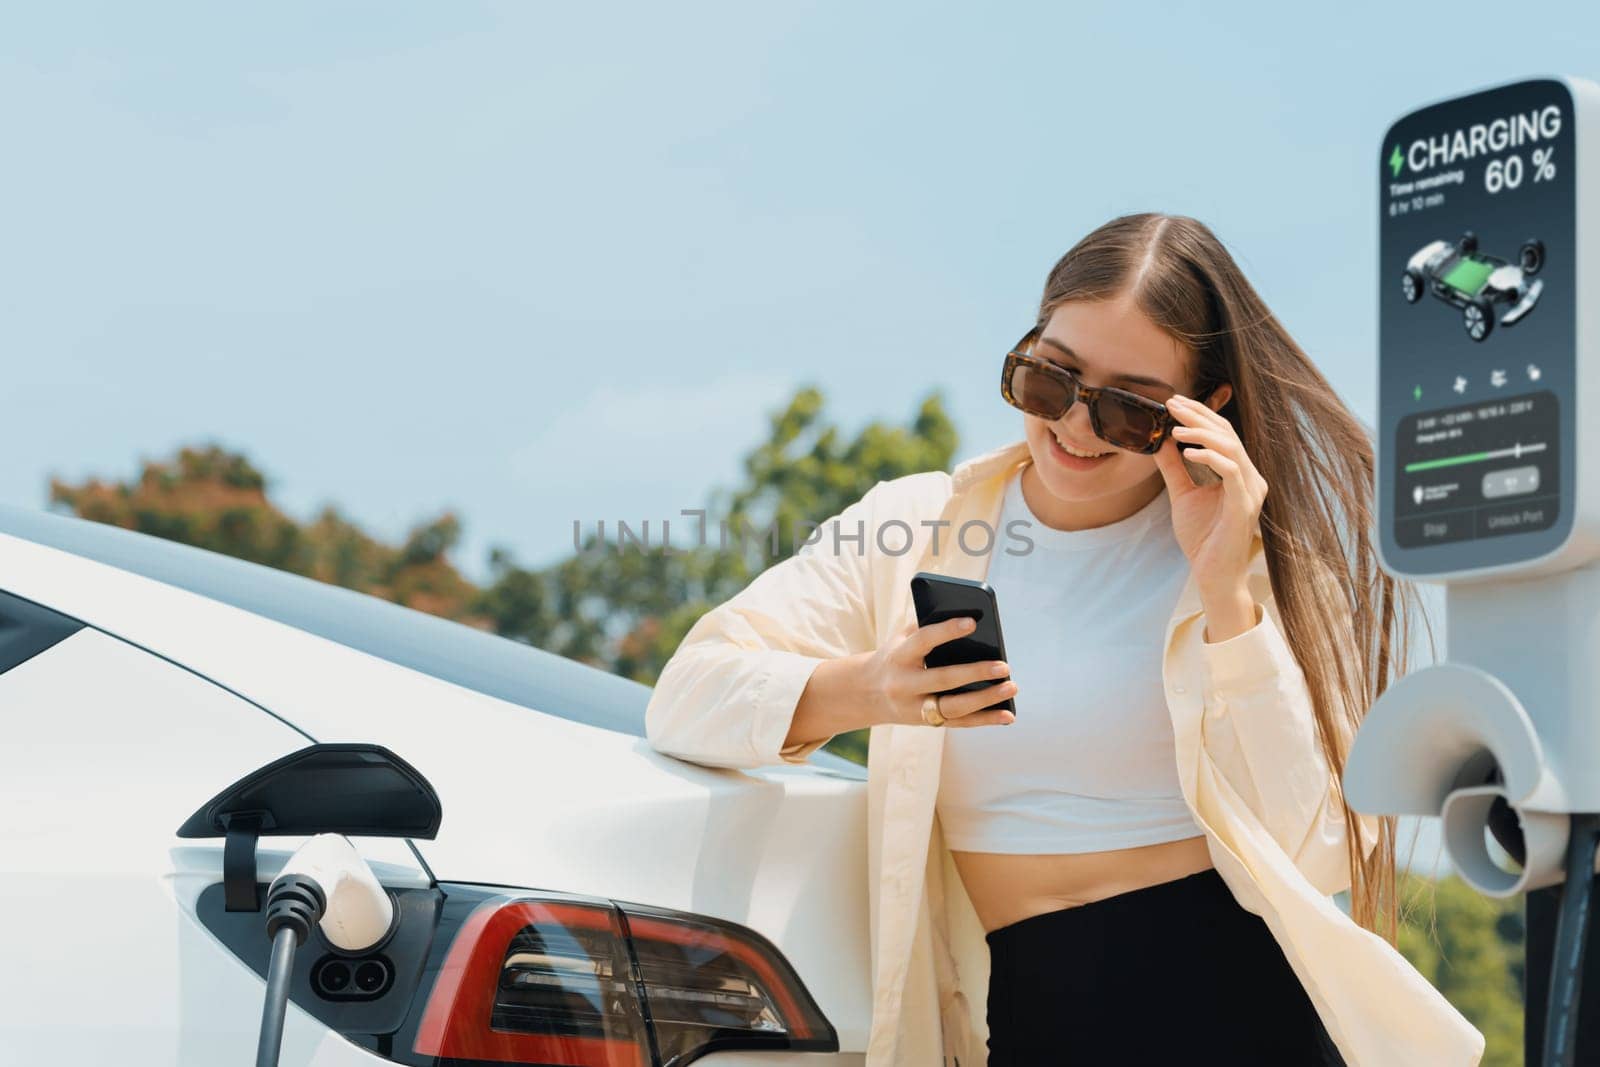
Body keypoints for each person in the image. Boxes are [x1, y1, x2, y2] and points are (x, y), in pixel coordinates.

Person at [645, 213, 1485, 1066]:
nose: (1078, 427)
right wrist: (874, 688)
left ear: (1205, 411)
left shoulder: (1258, 565)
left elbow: (1321, 850)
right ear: (1026, 347)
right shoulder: (914, 525)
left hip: (1244, 1014)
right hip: (1024, 1016)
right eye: (1053, 380)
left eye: (1128, 407)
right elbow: (687, 696)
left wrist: (1226, 586)